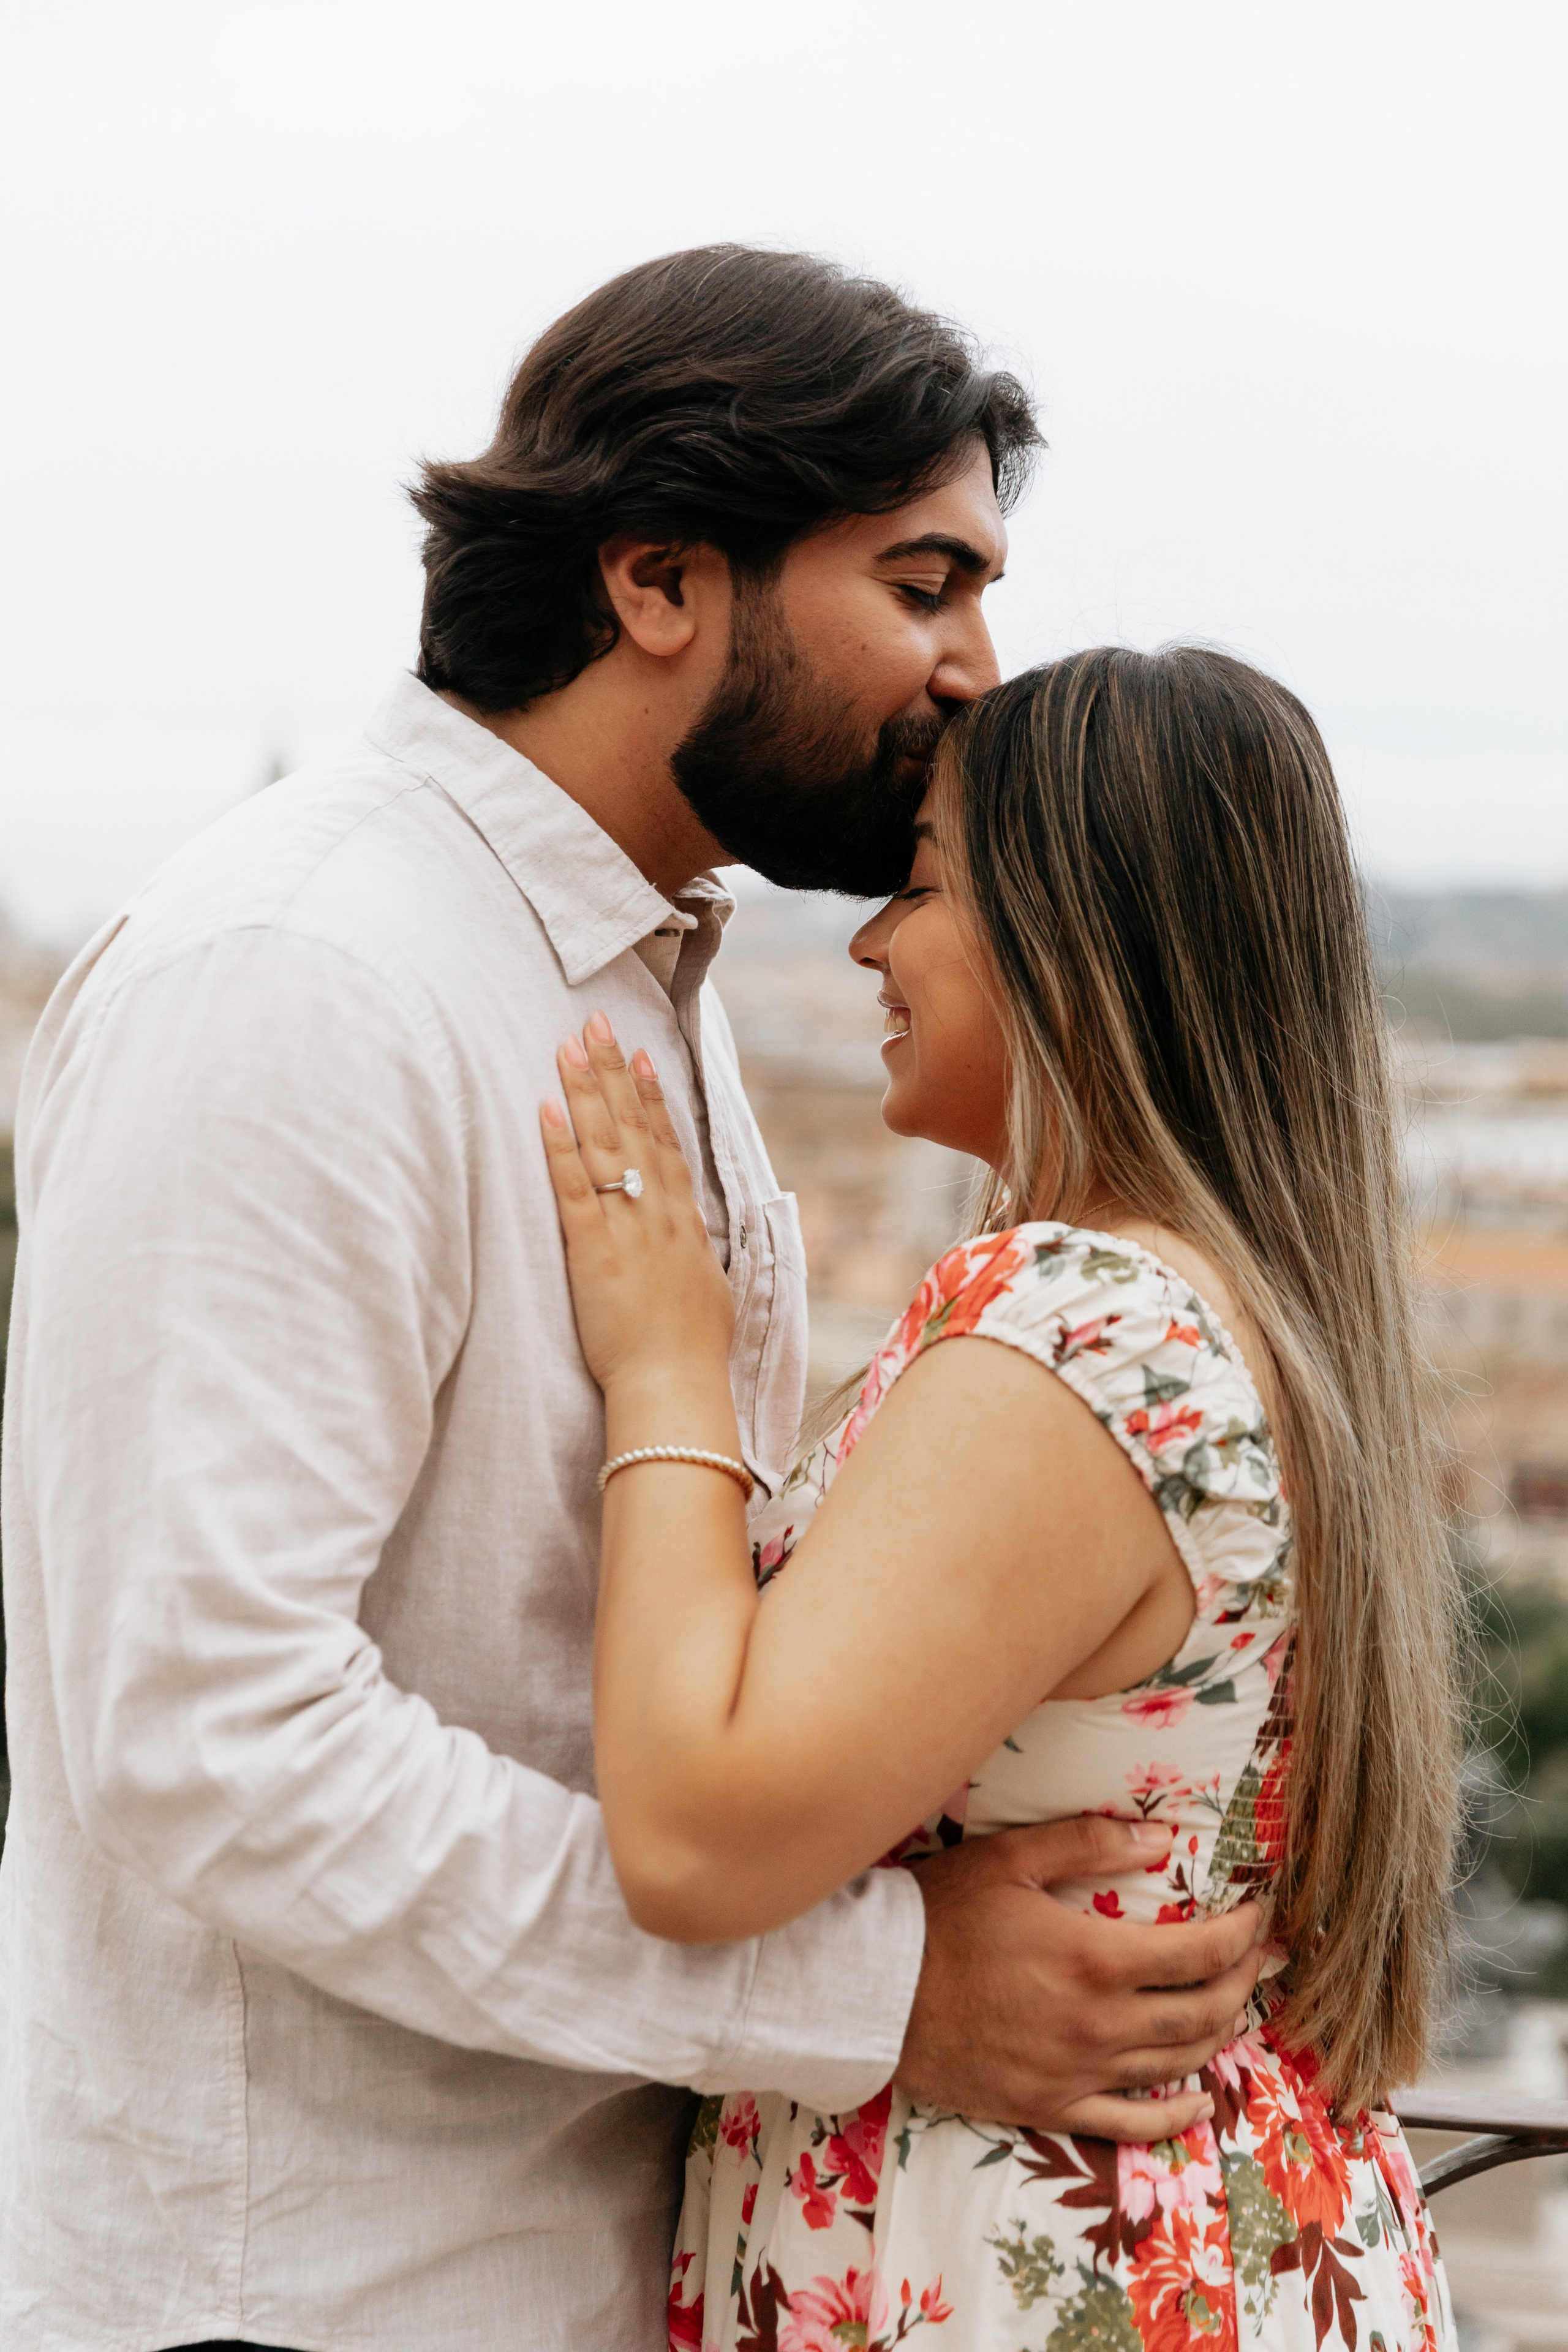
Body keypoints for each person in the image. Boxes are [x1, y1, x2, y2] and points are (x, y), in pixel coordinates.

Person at [0, 252, 1261, 2352]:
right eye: (926, 584)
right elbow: (205, 1739)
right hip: (318, 2289)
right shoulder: (307, 975)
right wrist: (872, 1992)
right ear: (661, 579)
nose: (976, 669)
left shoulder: (622, 982)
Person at [541, 644, 1461, 2349]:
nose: (873, 939)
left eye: (923, 882)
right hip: (1202, 2239)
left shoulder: (1080, 1330)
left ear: (1081, 940)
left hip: (1013, 2271)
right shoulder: (1241, 1306)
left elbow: (691, 1834)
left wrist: (670, 1370)